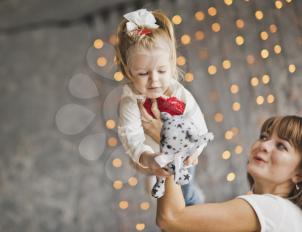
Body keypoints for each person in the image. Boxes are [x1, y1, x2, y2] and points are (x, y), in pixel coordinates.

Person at [115, 8, 209, 204]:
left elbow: (199, 127)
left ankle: (196, 200)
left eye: (162, 70)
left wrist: (194, 153)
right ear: (128, 70)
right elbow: (131, 137)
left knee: (187, 196)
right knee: (162, 199)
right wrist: (149, 159)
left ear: (172, 64)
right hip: (154, 161)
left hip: (183, 156)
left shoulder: (179, 93)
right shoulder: (130, 101)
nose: (154, 81)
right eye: (143, 74)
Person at [150, 115, 302, 231]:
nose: (264, 145)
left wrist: (170, 141)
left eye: (282, 146)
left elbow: (170, 219)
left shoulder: (274, 210)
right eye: (264, 137)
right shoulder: (277, 211)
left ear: (299, 174)